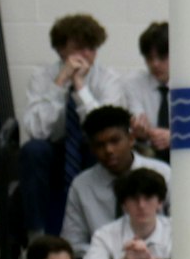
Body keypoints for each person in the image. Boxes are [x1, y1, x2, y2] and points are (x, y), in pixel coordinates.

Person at [20, 13, 125, 236]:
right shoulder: (42, 77)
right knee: (32, 151)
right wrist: (59, 84)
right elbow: (37, 130)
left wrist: (80, 88)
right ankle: (36, 238)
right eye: (79, 48)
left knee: (102, 148)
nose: (86, 55)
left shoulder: (108, 79)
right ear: (61, 49)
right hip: (55, 149)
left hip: (91, 148)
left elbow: (104, 128)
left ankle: (99, 235)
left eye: (92, 48)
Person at [61, 105, 170, 258]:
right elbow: (73, 243)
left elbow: (179, 227)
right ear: (91, 149)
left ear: (131, 139)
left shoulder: (163, 173)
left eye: (115, 141)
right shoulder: (81, 185)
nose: (109, 150)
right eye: (100, 145)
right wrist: (108, 255)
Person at [79, 168, 171, 259]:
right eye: (134, 199)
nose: (141, 205)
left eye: (148, 198)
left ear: (160, 202)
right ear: (124, 205)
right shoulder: (106, 234)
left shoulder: (176, 231)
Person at [123, 21, 172, 156]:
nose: (155, 64)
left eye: (162, 58)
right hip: (148, 151)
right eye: (149, 58)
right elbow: (139, 120)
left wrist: (176, 137)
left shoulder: (189, 84)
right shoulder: (134, 83)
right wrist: (142, 133)